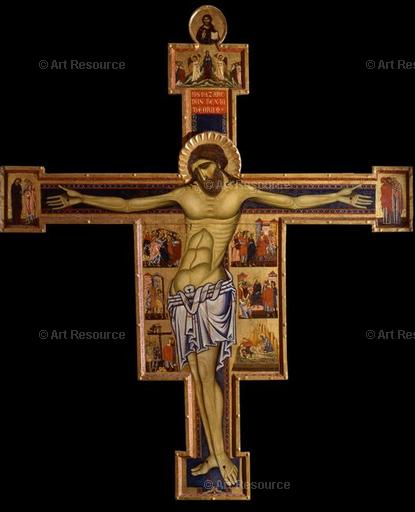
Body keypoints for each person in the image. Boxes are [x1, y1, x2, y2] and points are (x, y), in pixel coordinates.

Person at [46, 136, 372, 487]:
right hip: (180, 298)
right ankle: (215, 455)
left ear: (219, 162)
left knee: (210, 373)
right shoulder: (185, 194)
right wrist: (79, 198)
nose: (202, 174)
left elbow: (293, 201)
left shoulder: (240, 192)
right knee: (199, 376)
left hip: (212, 294)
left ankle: (221, 454)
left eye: (206, 166)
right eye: (196, 169)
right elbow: (129, 205)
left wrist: (339, 196)